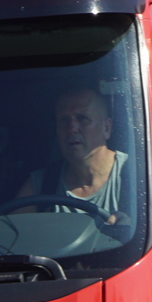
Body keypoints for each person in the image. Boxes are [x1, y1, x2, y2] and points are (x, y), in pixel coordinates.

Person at [14, 88, 128, 224]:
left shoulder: (137, 176)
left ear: (106, 128)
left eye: (82, 119)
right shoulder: (43, 183)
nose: (72, 128)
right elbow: (11, 236)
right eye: (64, 120)